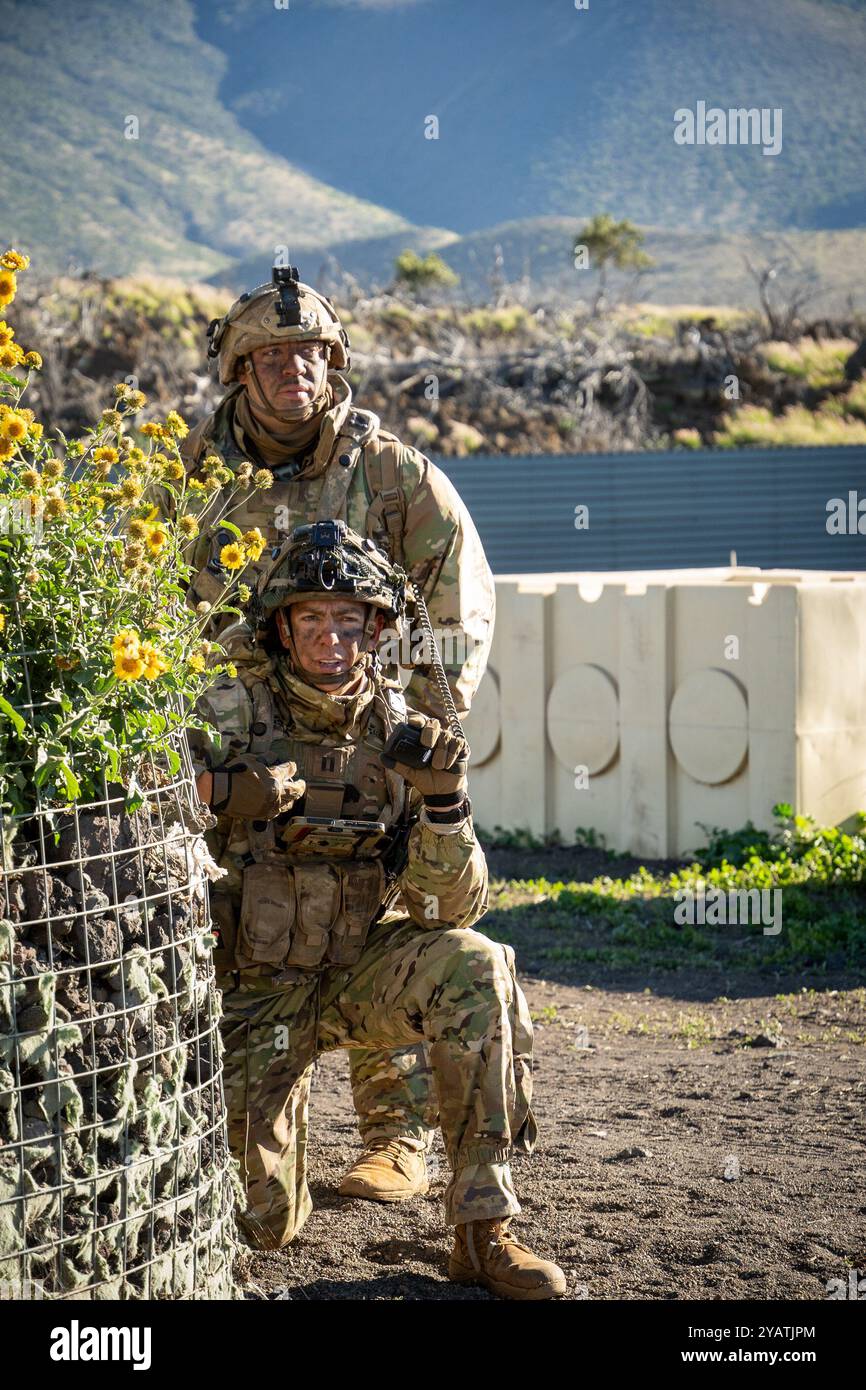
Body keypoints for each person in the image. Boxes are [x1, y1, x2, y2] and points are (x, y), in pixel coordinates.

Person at [179, 262, 496, 1204]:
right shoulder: (190, 476)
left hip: (366, 722)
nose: (293, 370)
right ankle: (253, 1094)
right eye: (271, 356)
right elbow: (129, 595)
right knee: (256, 910)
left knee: (380, 888)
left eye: (311, 353)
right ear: (239, 370)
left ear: (335, 363)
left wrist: (425, 720)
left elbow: (457, 589)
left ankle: (394, 1140)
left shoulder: (389, 472)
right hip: (232, 735)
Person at [188, 521, 565, 1300]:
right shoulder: (228, 713)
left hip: (360, 968)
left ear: (377, 630)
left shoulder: (403, 730)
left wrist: (444, 804)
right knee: (262, 1222)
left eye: (349, 619)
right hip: (254, 990)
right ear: (282, 627)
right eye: (312, 618)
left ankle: (481, 1230)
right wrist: (219, 794)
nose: (331, 637)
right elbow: (130, 807)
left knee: (477, 963)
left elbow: (448, 907)